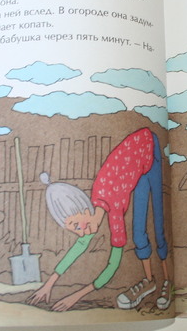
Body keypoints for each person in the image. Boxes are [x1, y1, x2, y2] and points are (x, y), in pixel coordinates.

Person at [27, 127, 171, 311]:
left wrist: (75, 297)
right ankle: (149, 282)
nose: (82, 232)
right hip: (136, 162)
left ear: (84, 209)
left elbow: (112, 265)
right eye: (75, 229)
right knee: (139, 234)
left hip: (148, 146)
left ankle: (168, 282)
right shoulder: (92, 207)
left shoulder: (112, 208)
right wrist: (49, 283)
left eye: (77, 225)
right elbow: (80, 246)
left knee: (158, 223)